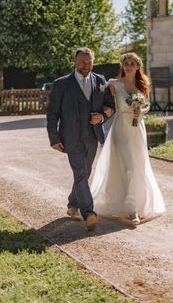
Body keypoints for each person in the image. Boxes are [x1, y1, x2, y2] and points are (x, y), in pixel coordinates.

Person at [90, 52, 166, 225]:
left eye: (133, 63)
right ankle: (132, 211)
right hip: (121, 128)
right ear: (122, 66)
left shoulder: (143, 84)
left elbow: (146, 105)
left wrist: (142, 111)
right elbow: (102, 99)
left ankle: (135, 204)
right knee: (129, 167)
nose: (129, 66)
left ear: (138, 66)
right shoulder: (114, 84)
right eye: (126, 63)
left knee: (137, 166)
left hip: (137, 129)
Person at [46, 47, 115, 231]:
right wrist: (54, 137)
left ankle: (72, 203)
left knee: (85, 171)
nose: (86, 64)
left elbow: (110, 106)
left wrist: (101, 117)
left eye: (89, 61)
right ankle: (88, 213)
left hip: (92, 135)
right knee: (80, 172)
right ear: (75, 61)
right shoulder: (61, 84)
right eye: (83, 61)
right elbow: (52, 113)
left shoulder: (101, 81)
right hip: (71, 136)